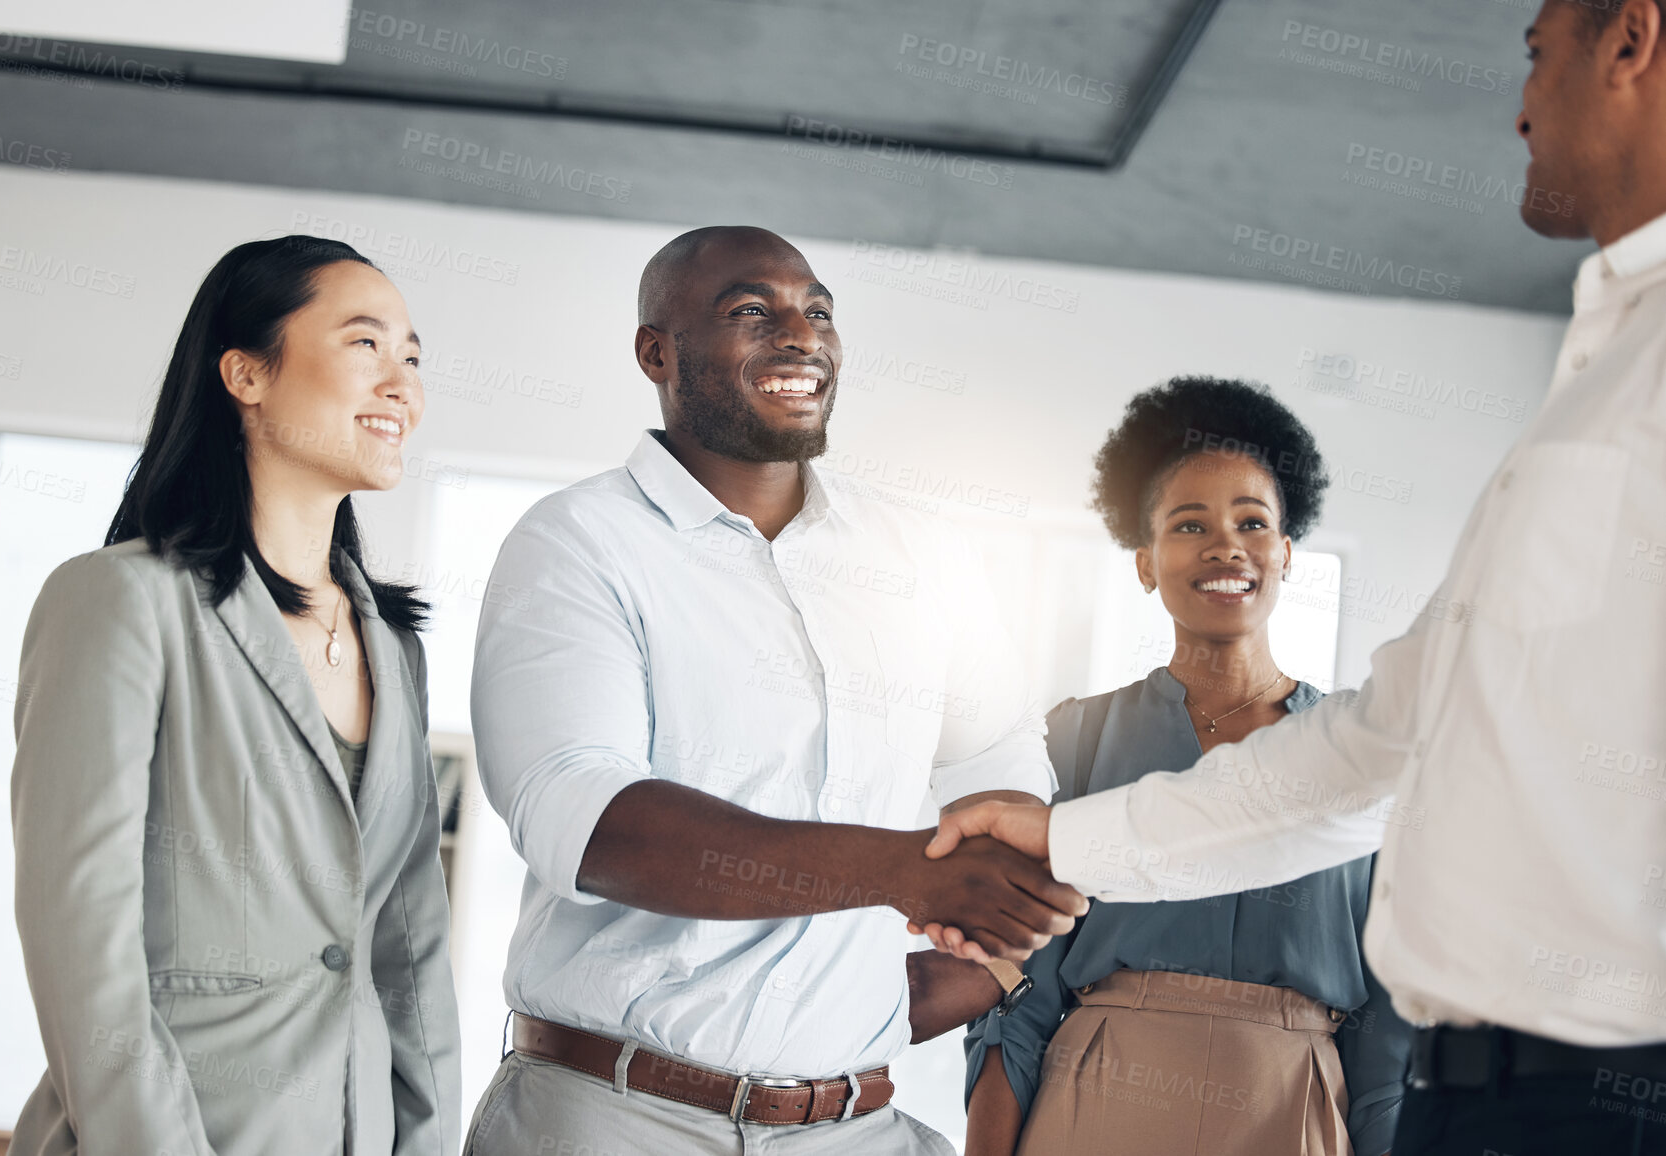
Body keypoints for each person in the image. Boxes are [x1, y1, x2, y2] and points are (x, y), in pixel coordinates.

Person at [921, 2, 1666, 1152]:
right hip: (1472, 1097)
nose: (1516, 106)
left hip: (1589, 1086)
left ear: (1630, 38)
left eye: (1533, 53)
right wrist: (1061, 841)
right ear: (1141, 556)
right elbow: (1379, 749)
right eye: (1185, 524)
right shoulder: (1606, 365)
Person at [464, 225, 1086, 1155]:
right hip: (617, 1120)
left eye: (818, 311)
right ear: (655, 353)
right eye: (751, 311)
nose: (801, 335)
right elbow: (589, 822)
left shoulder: (920, 557)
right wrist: (902, 867)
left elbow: (1005, 776)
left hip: (858, 1129)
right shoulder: (576, 542)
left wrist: (985, 961)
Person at [7, 236, 461, 1155]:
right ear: (246, 374)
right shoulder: (120, 600)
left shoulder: (394, 648)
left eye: (413, 358)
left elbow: (408, 950)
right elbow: (79, 940)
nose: (402, 386)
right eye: (366, 345)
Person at [958, 378, 1408, 1156]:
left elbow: (1389, 1019)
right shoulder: (1072, 738)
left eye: (1252, 522)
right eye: (1189, 523)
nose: (1224, 545)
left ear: (1286, 553)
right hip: (1098, 1091)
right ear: (1144, 562)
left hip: (1293, 1099)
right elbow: (1015, 996)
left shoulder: (1358, 753)